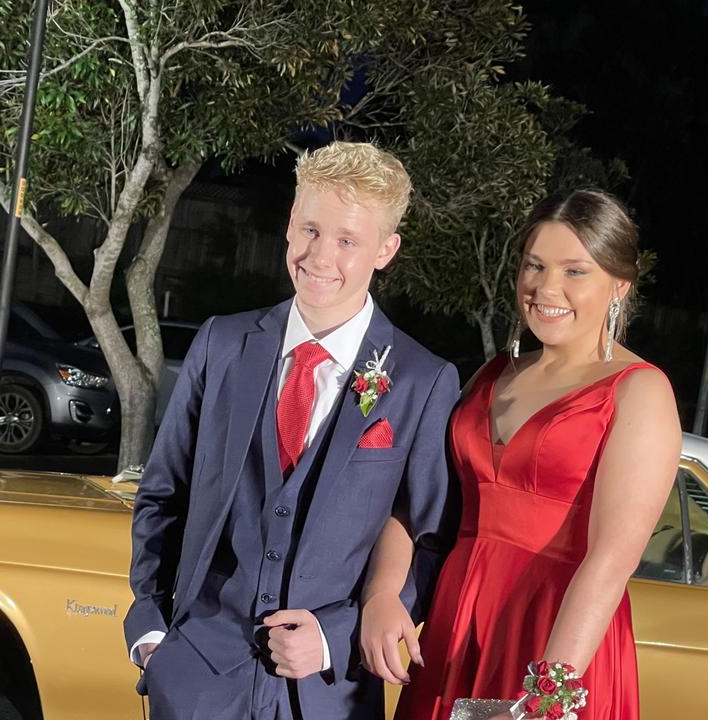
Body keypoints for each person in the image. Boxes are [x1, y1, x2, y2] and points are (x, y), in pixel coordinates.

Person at [124, 141, 460, 720]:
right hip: (197, 675)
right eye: (310, 229)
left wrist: (338, 633)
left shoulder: (422, 381)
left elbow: (431, 542)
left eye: (347, 240)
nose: (320, 255)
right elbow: (163, 492)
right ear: (288, 227)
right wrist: (152, 630)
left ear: (386, 250)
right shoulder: (222, 345)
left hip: (328, 691)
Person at [362, 189, 682, 719]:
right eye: (534, 265)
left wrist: (544, 702)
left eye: (575, 271)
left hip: (552, 645)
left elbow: (609, 563)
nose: (545, 287)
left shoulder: (638, 391)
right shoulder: (491, 376)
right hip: (455, 630)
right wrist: (383, 593)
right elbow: (421, 502)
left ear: (618, 287)